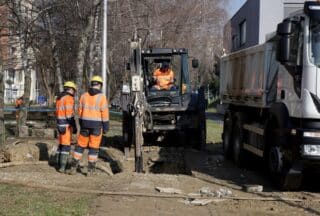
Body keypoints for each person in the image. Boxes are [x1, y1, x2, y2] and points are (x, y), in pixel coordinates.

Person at [68, 75, 109, 176]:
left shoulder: (84, 96)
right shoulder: (102, 97)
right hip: (96, 126)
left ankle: (73, 168)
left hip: (85, 125)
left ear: (92, 84)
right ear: (100, 85)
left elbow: (80, 111)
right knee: (93, 148)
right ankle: (90, 171)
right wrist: (106, 126)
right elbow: (104, 112)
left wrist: (82, 123)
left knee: (80, 147)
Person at [55, 81, 77, 173]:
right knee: (66, 146)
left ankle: (58, 164)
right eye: (74, 90)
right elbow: (69, 115)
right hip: (66, 126)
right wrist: (74, 125)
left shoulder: (59, 98)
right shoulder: (68, 98)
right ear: (71, 89)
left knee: (61, 145)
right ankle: (62, 167)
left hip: (60, 124)